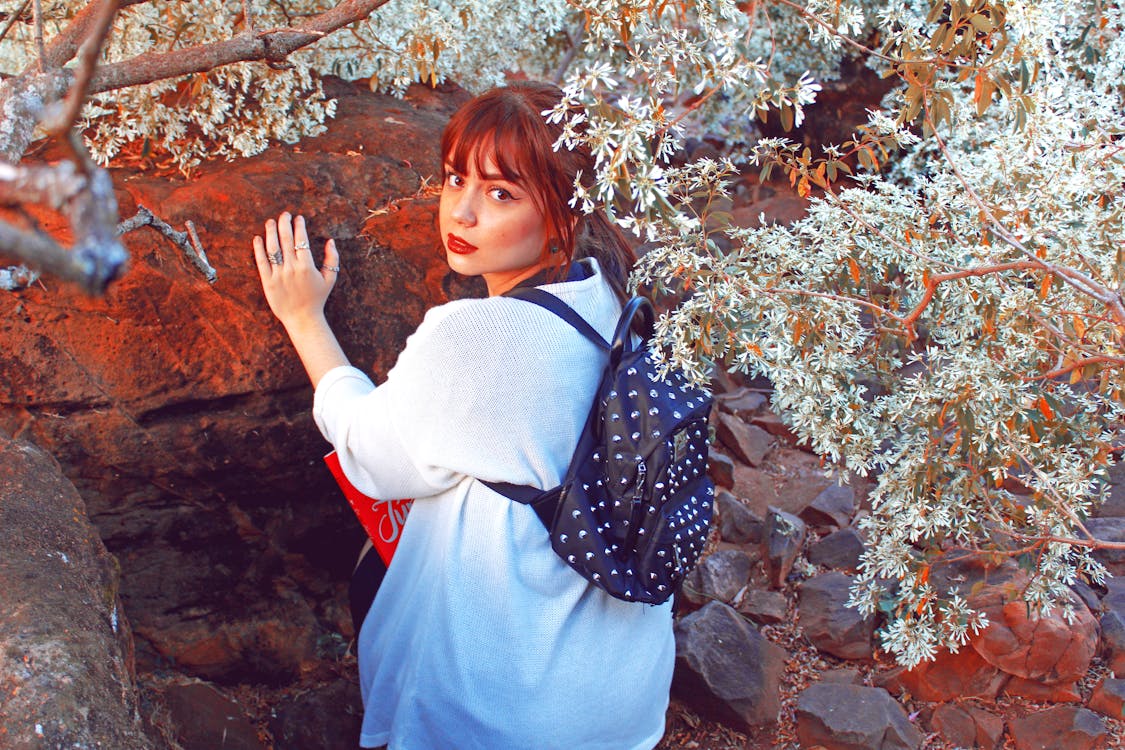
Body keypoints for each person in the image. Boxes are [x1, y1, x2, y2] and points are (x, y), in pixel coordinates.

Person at [253, 81, 674, 750]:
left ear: (564, 218)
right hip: (622, 695)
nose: (463, 213)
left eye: (502, 193)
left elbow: (372, 457)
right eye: (454, 180)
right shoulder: (618, 301)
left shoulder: (475, 336)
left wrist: (304, 319)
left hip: (511, 714)